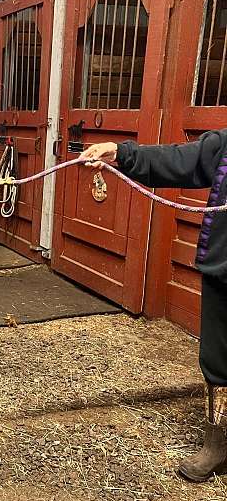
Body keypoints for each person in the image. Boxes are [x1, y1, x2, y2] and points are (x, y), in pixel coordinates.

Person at [79, 132, 227, 482]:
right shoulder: (223, 144)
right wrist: (120, 154)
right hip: (223, 267)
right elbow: (177, 160)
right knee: (217, 360)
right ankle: (217, 445)